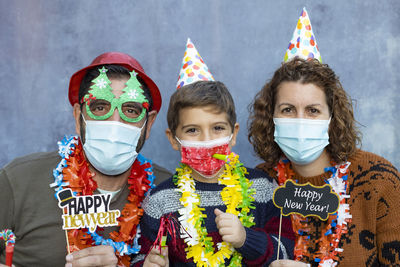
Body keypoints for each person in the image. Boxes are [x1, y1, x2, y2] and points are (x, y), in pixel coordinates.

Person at [0, 52, 171, 267]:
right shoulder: (19, 181)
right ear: (77, 116)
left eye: (130, 110)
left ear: (149, 123)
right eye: (99, 108)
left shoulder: (169, 194)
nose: (114, 123)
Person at [248, 57, 400, 266]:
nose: (300, 121)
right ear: (271, 118)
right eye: (288, 109)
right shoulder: (260, 183)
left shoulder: (379, 180)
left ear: (332, 119)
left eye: (313, 110)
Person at [132, 79, 294, 267]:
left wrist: (245, 239)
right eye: (192, 130)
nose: (207, 140)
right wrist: (145, 264)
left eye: (217, 128)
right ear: (173, 139)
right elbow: (140, 255)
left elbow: (285, 251)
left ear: (233, 134)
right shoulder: (159, 201)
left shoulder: (263, 188)